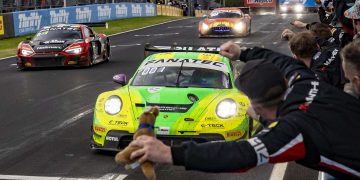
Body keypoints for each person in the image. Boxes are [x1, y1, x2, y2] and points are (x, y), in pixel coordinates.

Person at [126, 42, 360, 179]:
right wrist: (243, 53)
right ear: (284, 81)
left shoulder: (291, 131)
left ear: (253, 103)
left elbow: (241, 153)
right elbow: (283, 61)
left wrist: (169, 154)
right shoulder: (305, 81)